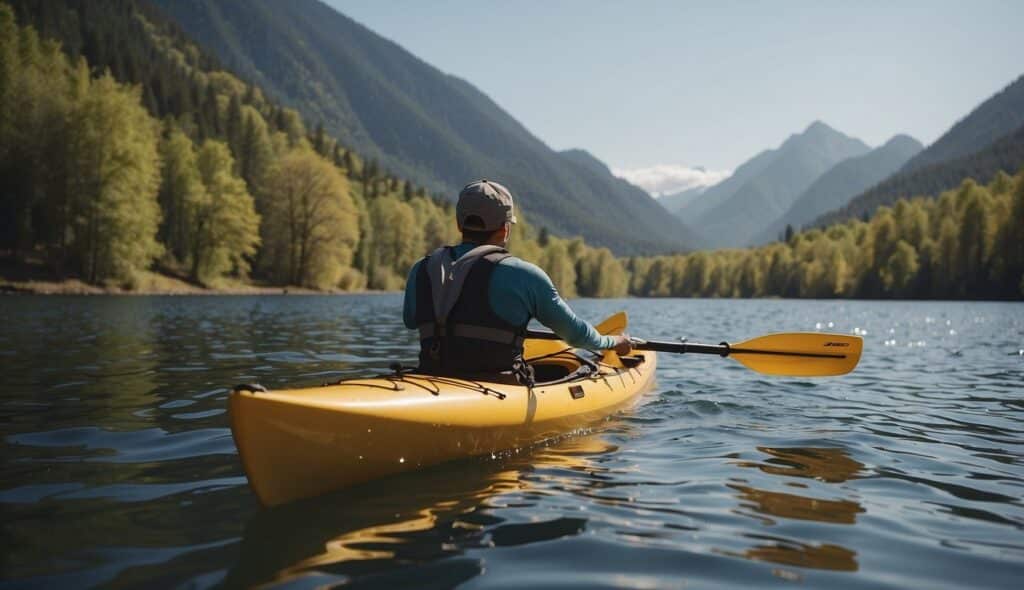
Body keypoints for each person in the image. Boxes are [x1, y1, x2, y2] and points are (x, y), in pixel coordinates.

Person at [403, 179, 632, 382]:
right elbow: (576, 336)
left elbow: (411, 321)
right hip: (500, 385)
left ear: (459, 224)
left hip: (431, 378)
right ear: (505, 229)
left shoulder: (422, 268)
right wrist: (613, 342)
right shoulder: (524, 275)